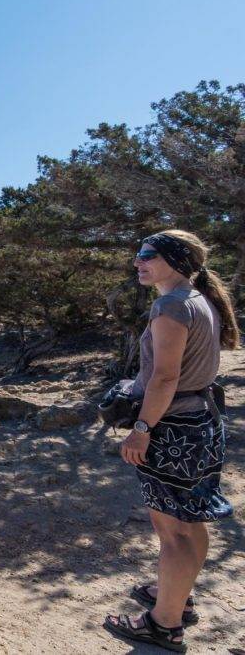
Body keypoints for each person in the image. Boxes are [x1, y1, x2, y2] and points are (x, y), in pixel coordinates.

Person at [103, 230, 238, 653]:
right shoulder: (198, 299)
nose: (137, 262)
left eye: (148, 256)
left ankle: (164, 624)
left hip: (173, 429)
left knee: (173, 530)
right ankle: (177, 598)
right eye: (137, 255)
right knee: (189, 522)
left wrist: (141, 430)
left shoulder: (171, 305)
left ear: (176, 261)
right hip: (200, 423)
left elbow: (165, 377)